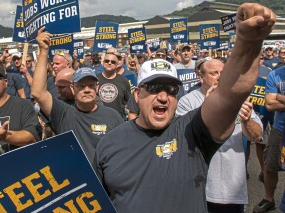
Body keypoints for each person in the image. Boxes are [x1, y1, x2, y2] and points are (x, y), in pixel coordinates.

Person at [94, 3, 276, 212]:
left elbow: (231, 95)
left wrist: (248, 42)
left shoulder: (191, 132)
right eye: (154, 88)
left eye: (171, 89)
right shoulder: (109, 144)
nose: (163, 96)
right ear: (137, 94)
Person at [176, 58, 262, 213]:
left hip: (232, 189)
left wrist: (247, 121)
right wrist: (208, 107)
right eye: (214, 73)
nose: (220, 76)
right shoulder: (187, 101)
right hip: (199, 187)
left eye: (223, 73)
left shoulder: (239, 99)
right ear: (201, 77)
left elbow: (256, 136)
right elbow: (184, 139)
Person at [31, 27, 124, 165]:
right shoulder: (63, 113)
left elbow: (123, 151)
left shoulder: (113, 116)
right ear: (73, 89)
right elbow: (38, 93)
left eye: (91, 85)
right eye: (81, 86)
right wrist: (44, 51)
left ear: (97, 88)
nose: (87, 90)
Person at [253, 51, 285, 212]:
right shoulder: (275, 75)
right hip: (279, 128)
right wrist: (274, 99)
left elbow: (274, 100)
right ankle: (268, 198)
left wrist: (279, 97)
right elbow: (270, 105)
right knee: (270, 165)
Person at [97, 53, 131, 120]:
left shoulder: (124, 81)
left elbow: (128, 103)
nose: (109, 63)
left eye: (113, 62)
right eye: (107, 61)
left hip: (118, 121)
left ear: (116, 65)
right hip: (99, 120)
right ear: (103, 63)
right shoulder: (95, 80)